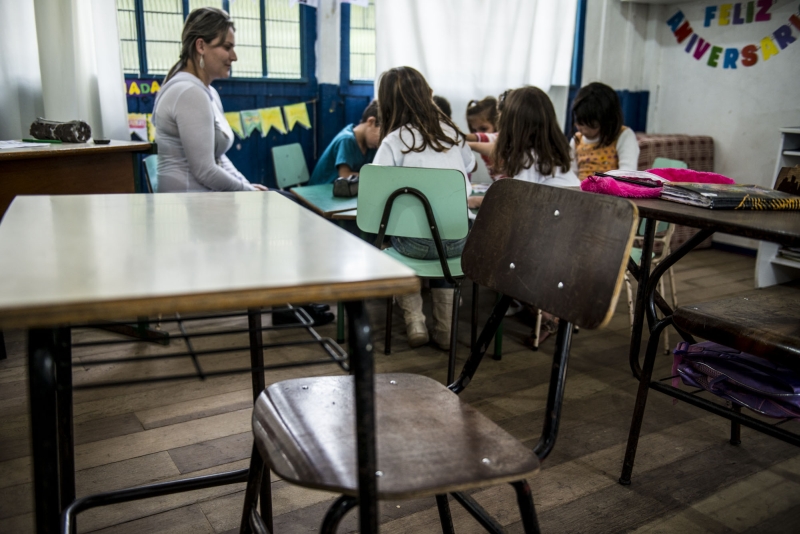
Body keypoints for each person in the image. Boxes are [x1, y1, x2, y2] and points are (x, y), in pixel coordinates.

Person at [153, 7, 333, 325]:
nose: (233, 56)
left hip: (204, 195)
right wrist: (249, 193)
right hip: (190, 205)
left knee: (290, 203)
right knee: (290, 210)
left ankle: (290, 301)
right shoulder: (188, 93)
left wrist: (250, 185)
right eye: (227, 46)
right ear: (200, 46)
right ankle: (289, 304)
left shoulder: (205, 91)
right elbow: (204, 169)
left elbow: (220, 157)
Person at [373, 66, 476, 351]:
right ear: (426, 95)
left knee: (394, 243)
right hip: (457, 242)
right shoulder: (453, 134)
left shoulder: (393, 141)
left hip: (413, 245)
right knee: (441, 246)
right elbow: (471, 167)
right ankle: (445, 329)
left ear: (387, 104)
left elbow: (378, 195)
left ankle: (415, 321)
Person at [570, 82, 640, 180]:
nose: (582, 129)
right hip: (580, 191)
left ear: (606, 121)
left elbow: (627, 173)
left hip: (610, 193)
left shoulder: (623, 136)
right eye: (579, 123)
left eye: (591, 125)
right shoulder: (577, 140)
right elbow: (571, 175)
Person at [308, 100, 381, 185]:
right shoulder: (347, 140)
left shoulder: (371, 146)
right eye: (382, 134)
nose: (381, 142)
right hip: (319, 191)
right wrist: (374, 177)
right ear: (371, 122)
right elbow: (345, 175)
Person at [465, 96, 504, 181]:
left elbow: (486, 138)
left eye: (483, 129)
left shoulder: (500, 138)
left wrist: (458, 136)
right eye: (474, 130)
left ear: (497, 123)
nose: (478, 133)